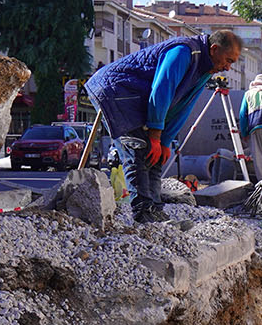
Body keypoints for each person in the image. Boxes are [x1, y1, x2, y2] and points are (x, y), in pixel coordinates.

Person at [84, 30, 242, 224]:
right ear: (214, 49)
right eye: (228, 60)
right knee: (139, 150)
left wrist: (165, 141)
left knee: (155, 155)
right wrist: (155, 135)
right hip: (114, 89)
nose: (227, 67)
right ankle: (143, 213)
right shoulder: (184, 52)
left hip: (135, 95)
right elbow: (161, 92)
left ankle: (155, 210)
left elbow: (183, 107)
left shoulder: (203, 69)